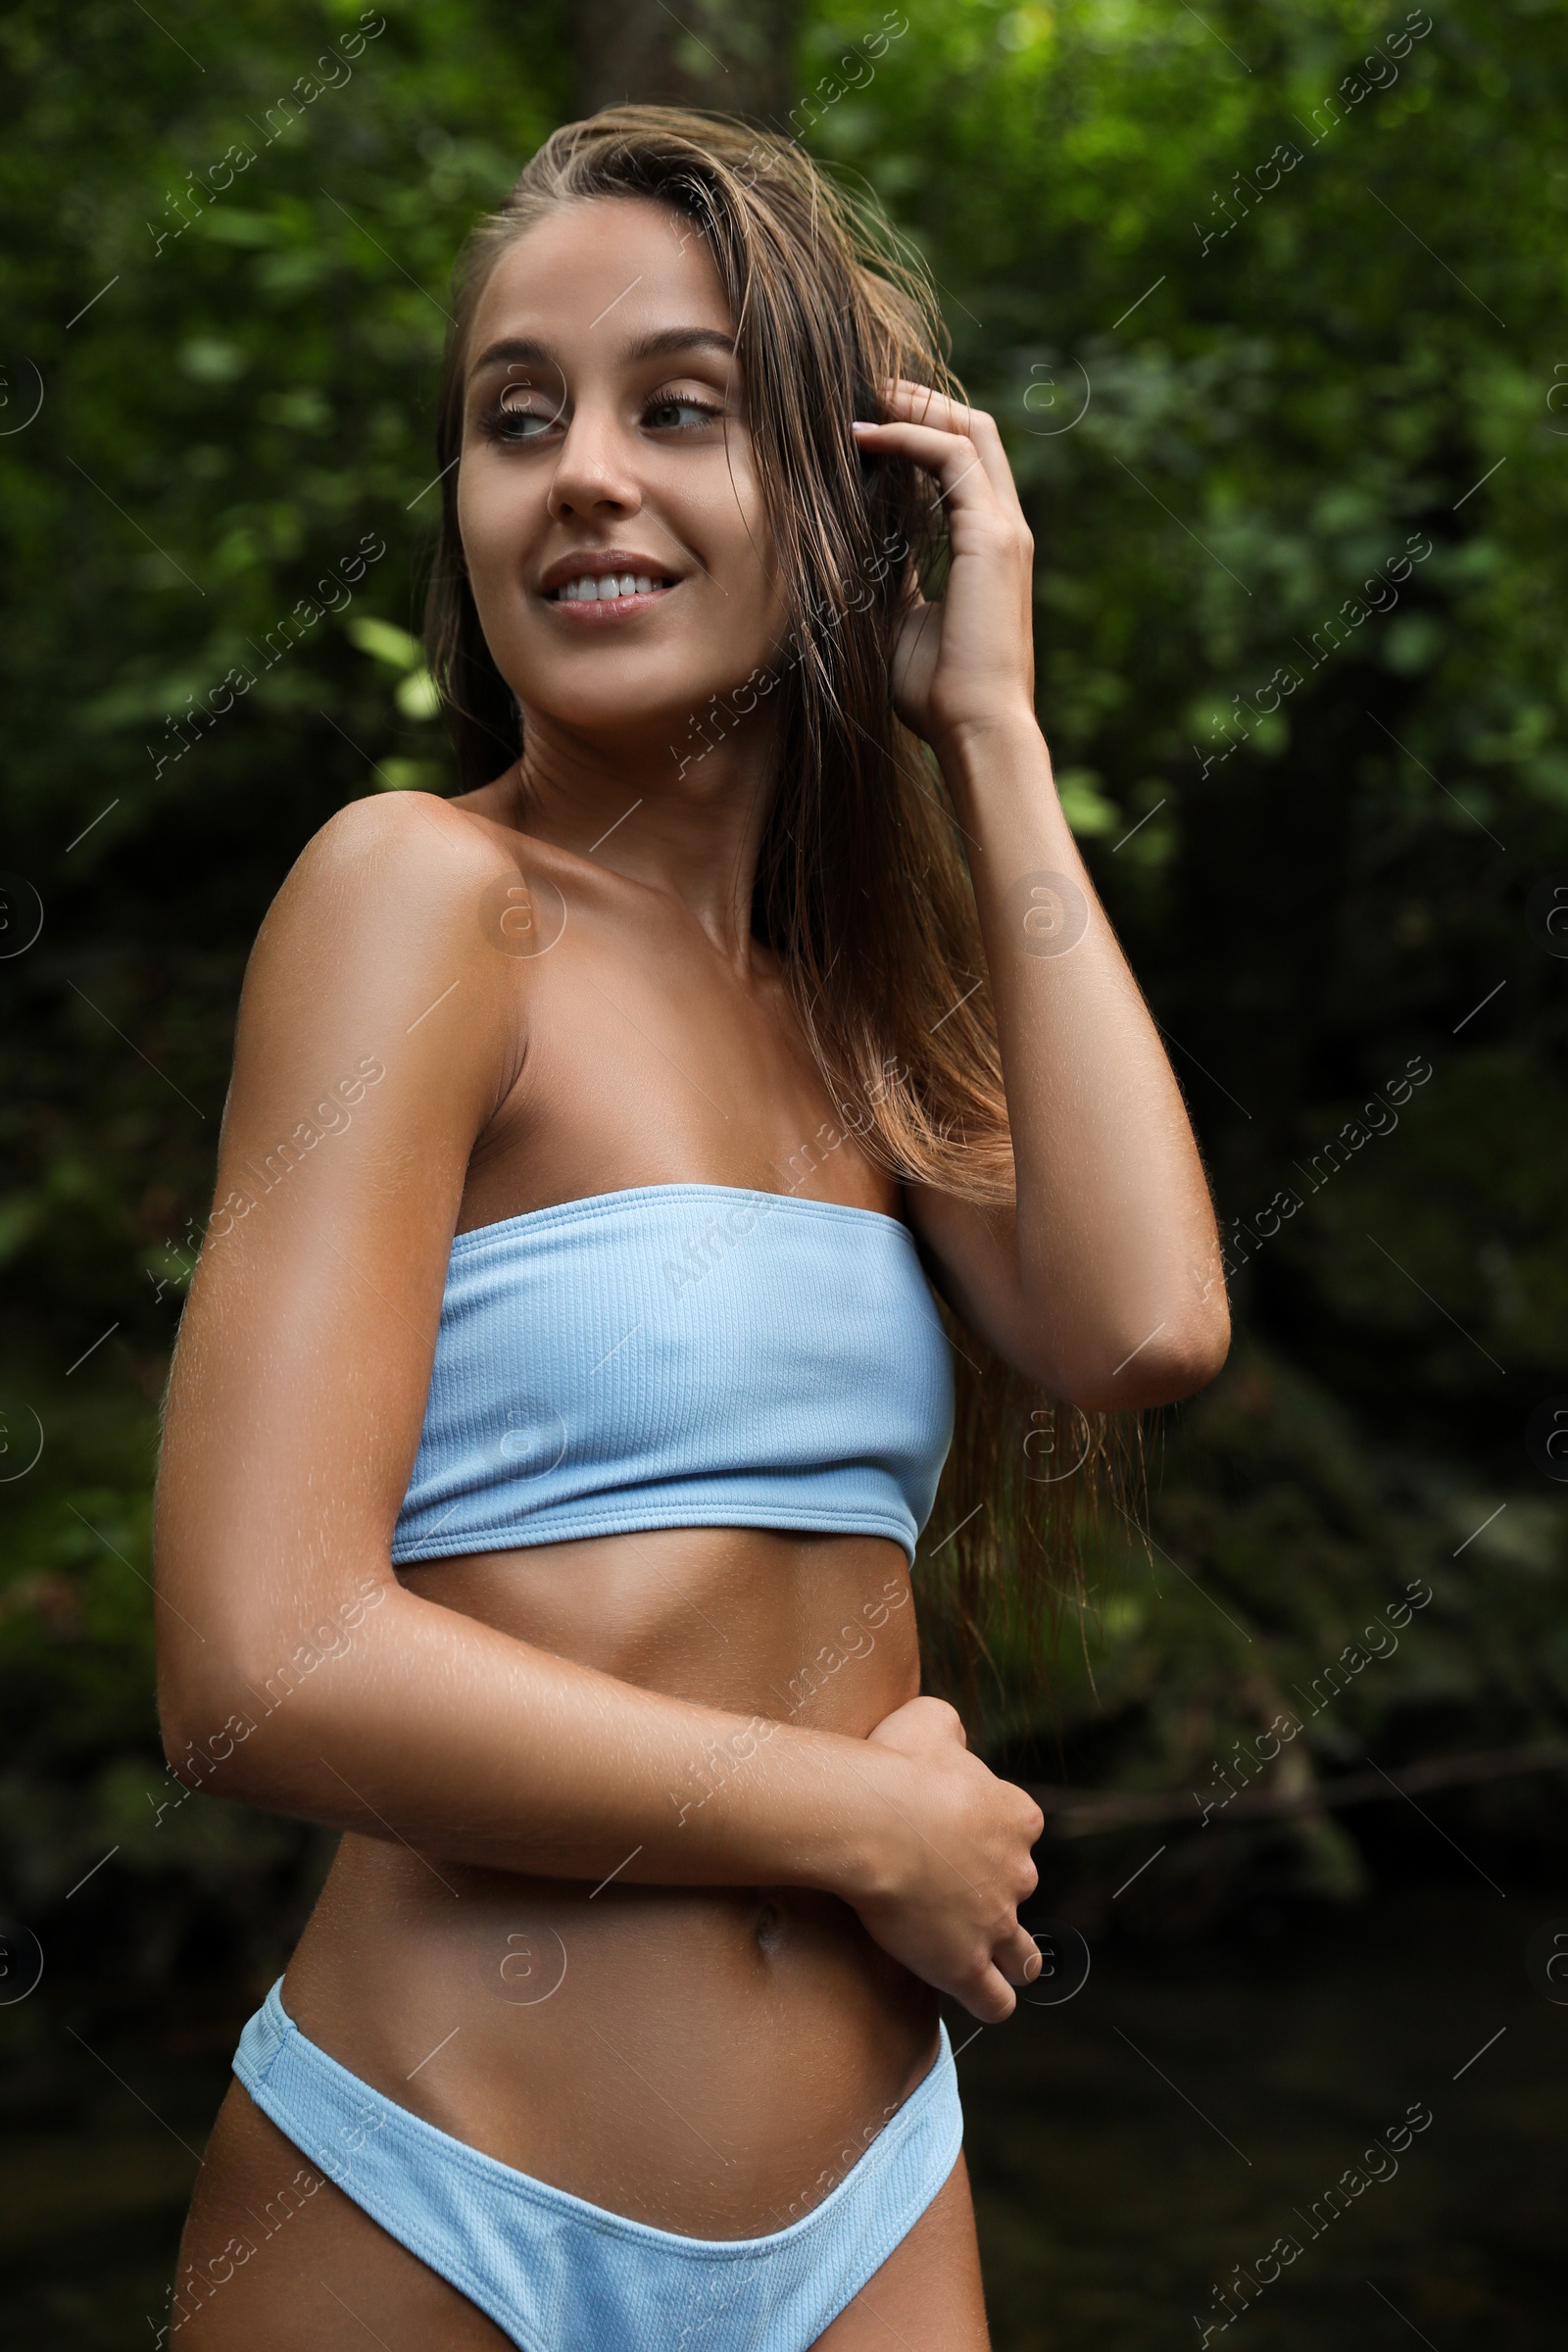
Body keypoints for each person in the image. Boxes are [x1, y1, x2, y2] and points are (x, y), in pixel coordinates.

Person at [154, 106, 1229, 2350]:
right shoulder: (421, 899)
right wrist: (857, 1827)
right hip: (430, 2197)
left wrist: (992, 729)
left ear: (843, 507)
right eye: (513, 420)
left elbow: (1137, 1325)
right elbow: (258, 1670)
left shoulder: (864, 1011)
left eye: (680, 410)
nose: (577, 478)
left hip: (868, 2211)